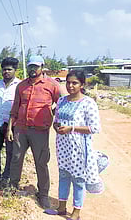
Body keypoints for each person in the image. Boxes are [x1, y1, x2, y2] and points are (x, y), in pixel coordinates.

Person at [44, 70, 101, 220]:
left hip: (79, 148)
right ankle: (61, 207)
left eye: (74, 83)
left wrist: (72, 129)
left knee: (78, 179)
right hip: (63, 146)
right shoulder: (62, 101)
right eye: (68, 82)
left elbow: (94, 128)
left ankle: (76, 211)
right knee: (63, 175)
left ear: (82, 84)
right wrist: (57, 127)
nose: (70, 86)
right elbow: (56, 120)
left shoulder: (88, 103)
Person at [6, 55, 61, 208]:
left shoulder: (52, 85)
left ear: (42, 67)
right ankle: (12, 187)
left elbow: (61, 103)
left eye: (35, 67)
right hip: (20, 129)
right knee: (16, 159)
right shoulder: (21, 86)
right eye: (30, 66)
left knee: (41, 163)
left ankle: (43, 194)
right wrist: (10, 128)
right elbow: (15, 108)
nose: (32, 69)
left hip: (40, 131)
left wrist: (53, 115)